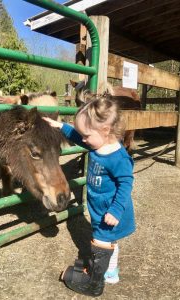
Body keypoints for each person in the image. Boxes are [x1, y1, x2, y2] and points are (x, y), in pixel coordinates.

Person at [43, 94, 136, 297]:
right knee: (107, 240)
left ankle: (94, 282)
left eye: (86, 135)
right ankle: (110, 272)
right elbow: (77, 136)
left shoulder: (118, 157)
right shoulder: (97, 143)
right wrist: (60, 127)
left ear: (105, 130)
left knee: (102, 239)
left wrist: (116, 210)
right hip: (100, 208)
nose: (83, 140)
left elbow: (126, 183)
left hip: (110, 211)